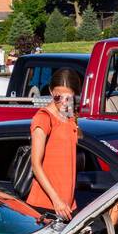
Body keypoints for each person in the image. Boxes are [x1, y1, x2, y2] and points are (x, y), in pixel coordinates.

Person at [26, 67, 82, 220]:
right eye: (58, 97)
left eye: (68, 97)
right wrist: (56, 200)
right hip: (47, 204)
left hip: (68, 204)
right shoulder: (43, 117)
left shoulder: (69, 116)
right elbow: (36, 165)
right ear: (51, 92)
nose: (63, 102)